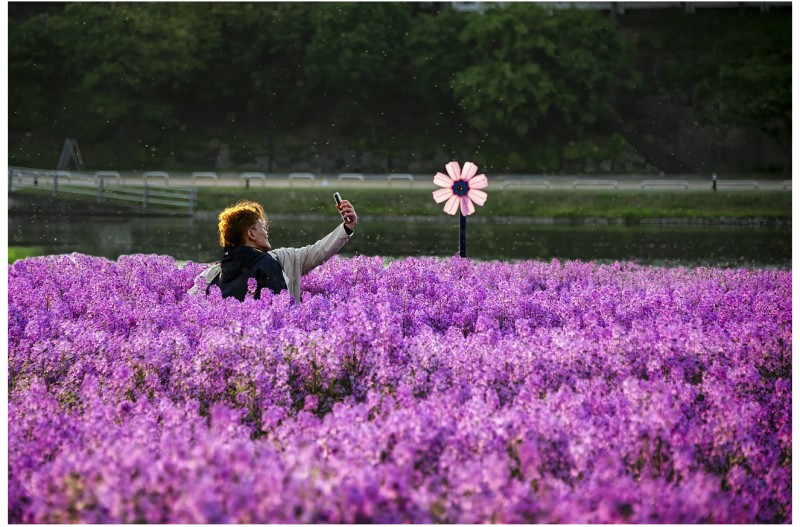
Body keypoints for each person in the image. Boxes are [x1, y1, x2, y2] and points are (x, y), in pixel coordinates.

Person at [189, 197, 357, 302]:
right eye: (262, 226)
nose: (266, 232)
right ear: (251, 234)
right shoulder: (276, 261)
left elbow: (188, 308)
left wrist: (346, 228)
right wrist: (347, 227)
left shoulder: (211, 275)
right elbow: (317, 253)